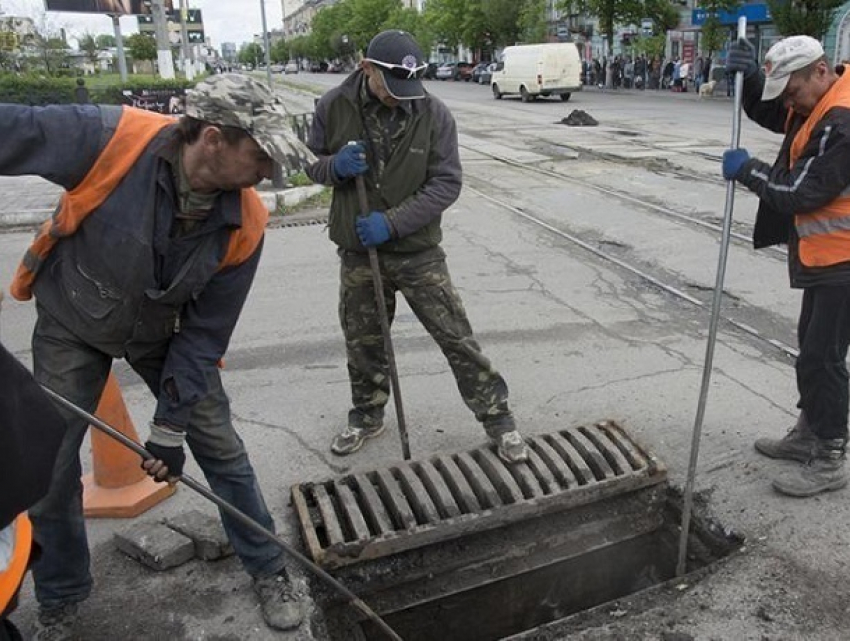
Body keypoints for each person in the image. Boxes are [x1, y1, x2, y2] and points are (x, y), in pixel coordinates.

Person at [0, 73, 315, 639]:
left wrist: (169, 427)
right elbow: (11, 130)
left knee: (220, 446)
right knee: (49, 462)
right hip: (74, 316)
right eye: (261, 155)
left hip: (164, 333)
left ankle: (269, 569)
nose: (268, 172)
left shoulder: (246, 221)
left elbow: (205, 334)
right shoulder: (110, 139)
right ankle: (62, 599)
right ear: (213, 138)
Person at [304, 29, 529, 464]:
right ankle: (367, 416)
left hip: (417, 251)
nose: (400, 97)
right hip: (359, 252)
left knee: (456, 338)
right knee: (364, 341)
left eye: (408, 87)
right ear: (367, 69)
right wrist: (335, 166)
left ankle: (498, 419)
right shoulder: (334, 106)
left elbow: (447, 183)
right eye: (391, 88)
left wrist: (391, 223)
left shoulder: (433, 112)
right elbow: (308, 162)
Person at [722, 35, 850, 497]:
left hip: (845, 259)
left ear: (819, 71)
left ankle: (830, 455)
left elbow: (801, 192)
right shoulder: (820, 100)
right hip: (827, 255)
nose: (788, 103)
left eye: (791, 90)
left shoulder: (842, 119)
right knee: (812, 351)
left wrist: (749, 170)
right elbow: (781, 114)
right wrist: (749, 77)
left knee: (824, 358)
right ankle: (810, 433)